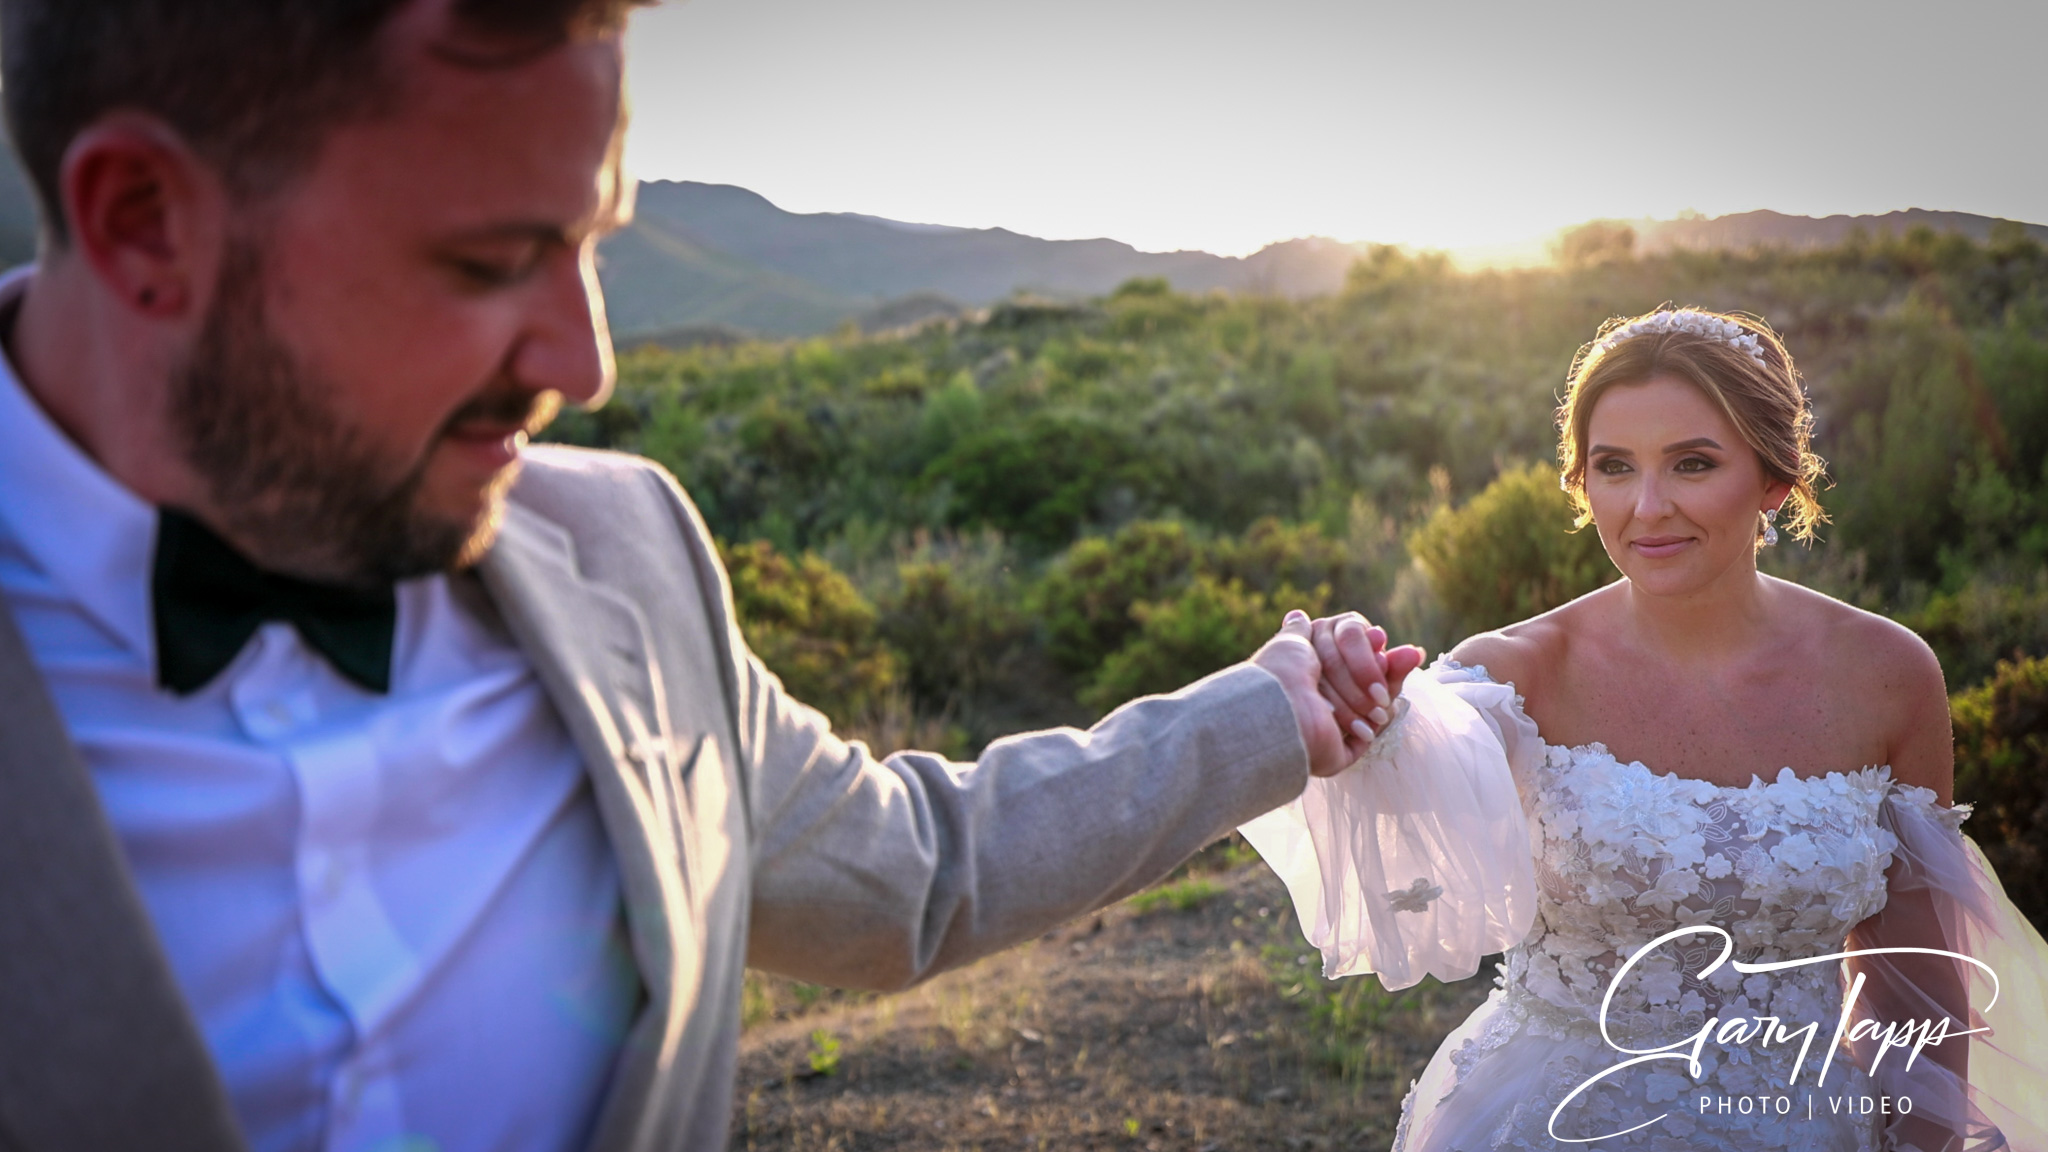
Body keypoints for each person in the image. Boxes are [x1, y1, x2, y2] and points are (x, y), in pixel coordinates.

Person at [0, 2, 1423, 1150]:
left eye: (593, 243)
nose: (586, 363)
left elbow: (918, 873)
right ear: (144, 224)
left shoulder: (625, 552)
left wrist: (1259, 715)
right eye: (496, 260)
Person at [1244, 307, 2048, 1151]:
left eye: (1693, 464)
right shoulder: (1514, 674)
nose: (1647, 508)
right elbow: (1381, 771)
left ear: (1775, 480)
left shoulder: (1890, 674)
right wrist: (1349, 687)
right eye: (1614, 468)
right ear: (1580, 483)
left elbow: (1915, 983)